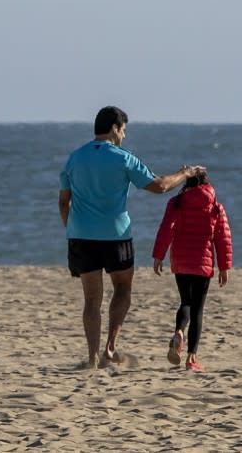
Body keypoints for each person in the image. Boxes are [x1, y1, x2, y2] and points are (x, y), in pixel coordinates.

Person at [58, 106, 205, 369]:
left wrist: (72, 229)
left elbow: (63, 201)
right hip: (116, 235)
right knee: (123, 289)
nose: (124, 136)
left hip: (81, 236)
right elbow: (159, 186)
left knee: (92, 299)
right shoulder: (123, 157)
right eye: (123, 130)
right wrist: (186, 173)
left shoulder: (74, 158)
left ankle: (92, 357)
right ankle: (110, 350)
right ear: (115, 128)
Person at [152, 171, 233, 372]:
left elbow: (166, 229)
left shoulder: (176, 203)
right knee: (198, 309)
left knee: (185, 302)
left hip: (181, 260)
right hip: (202, 263)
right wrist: (224, 267)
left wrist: (158, 255)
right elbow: (222, 238)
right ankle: (191, 358)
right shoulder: (215, 206)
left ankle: (179, 331)